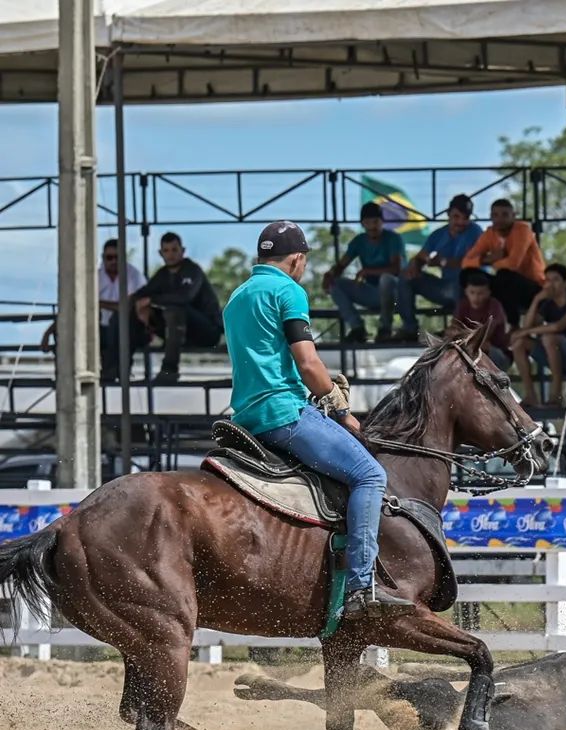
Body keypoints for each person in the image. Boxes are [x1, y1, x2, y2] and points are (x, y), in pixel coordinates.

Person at [223, 220, 413, 622]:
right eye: (303, 262)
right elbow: (308, 363)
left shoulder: (237, 296)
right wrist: (338, 405)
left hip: (246, 417)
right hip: (283, 412)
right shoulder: (288, 290)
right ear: (296, 259)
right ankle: (363, 586)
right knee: (369, 476)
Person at [42, 238, 150, 382]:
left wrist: (96, 303)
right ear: (103, 257)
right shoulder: (94, 277)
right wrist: (48, 332)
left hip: (128, 331)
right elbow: (75, 308)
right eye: (109, 257)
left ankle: (113, 369)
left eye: (117, 257)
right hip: (100, 329)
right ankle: (66, 373)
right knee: (71, 330)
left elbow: (126, 307)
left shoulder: (134, 276)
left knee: (117, 319)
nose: (113, 261)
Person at [132, 231, 224, 385]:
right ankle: (119, 366)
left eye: (174, 250)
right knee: (139, 308)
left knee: (174, 309)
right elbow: (142, 294)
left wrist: (151, 300)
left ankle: (169, 370)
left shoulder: (193, 270)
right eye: (166, 251)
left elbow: (185, 297)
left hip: (207, 331)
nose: (171, 255)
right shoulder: (162, 274)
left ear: (182, 251)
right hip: (180, 333)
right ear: (160, 253)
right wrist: (139, 306)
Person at [509, 263, 566, 409]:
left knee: (549, 337)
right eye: (548, 280)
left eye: (556, 280)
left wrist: (524, 332)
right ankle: (530, 395)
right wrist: (536, 300)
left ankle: (555, 396)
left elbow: (558, 326)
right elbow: (528, 326)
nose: (551, 284)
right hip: (558, 357)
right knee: (520, 342)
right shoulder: (548, 305)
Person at [323, 201, 408, 345]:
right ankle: (357, 328)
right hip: (372, 294)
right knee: (335, 284)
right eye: (368, 222)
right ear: (363, 224)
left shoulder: (393, 238)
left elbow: (396, 269)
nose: (373, 226)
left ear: (382, 222)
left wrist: (367, 271)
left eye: (376, 222)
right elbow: (341, 265)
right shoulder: (359, 241)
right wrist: (330, 275)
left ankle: (385, 329)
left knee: (386, 279)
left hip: (396, 296)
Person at [400, 193, 483, 337]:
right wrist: (415, 265)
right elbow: (420, 257)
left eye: (466, 218)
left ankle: (456, 329)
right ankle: (409, 328)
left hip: (469, 291)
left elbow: (472, 263)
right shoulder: (438, 234)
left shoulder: (475, 231)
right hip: (444, 288)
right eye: (457, 216)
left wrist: (443, 261)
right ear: (448, 214)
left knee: (465, 279)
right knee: (405, 276)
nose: (461, 222)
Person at [461, 198, 547, 325]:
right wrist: (489, 259)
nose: (500, 219)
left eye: (505, 215)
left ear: (513, 216)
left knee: (504, 275)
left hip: (533, 287)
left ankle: (512, 324)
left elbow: (513, 264)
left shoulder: (522, 230)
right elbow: (466, 262)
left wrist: (494, 262)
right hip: (506, 284)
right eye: (495, 215)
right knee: (466, 275)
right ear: (491, 216)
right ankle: (475, 321)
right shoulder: (489, 234)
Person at [445, 271, 511, 370]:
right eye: (472, 293)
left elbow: (484, 336)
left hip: (497, 354)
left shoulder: (494, 305)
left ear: (488, 293)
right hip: (469, 349)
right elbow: (453, 329)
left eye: (480, 293)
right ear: (466, 292)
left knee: (482, 346)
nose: (476, 297)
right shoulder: (463, 305)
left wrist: (462, 336)